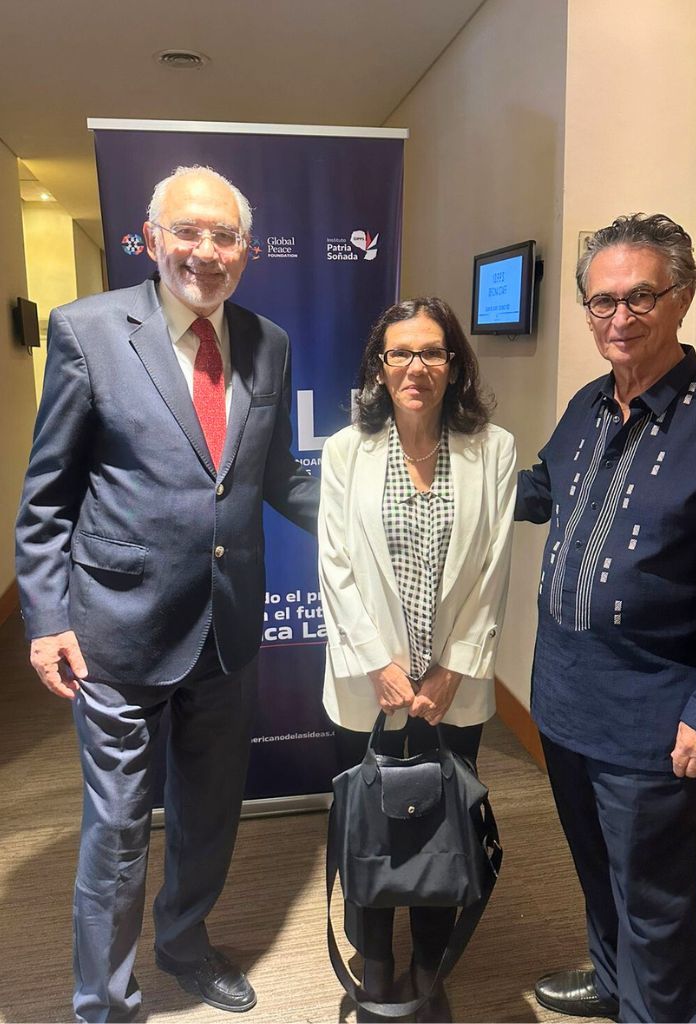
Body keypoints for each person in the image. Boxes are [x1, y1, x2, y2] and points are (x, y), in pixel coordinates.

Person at [15, 165, 319, 1022]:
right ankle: (102, 1002)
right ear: (151, 240)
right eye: (188, 232)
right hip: (116, 628)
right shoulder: (87, 331)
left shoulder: (268, 341)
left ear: (247, 251)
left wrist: (372, 511)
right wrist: (45, 619)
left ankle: (185, 943)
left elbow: (276, 477)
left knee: (210, 813)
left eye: (224, 236)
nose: (206, 252)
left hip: (225, 630)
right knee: (116, 831)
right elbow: (47, 497)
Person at [515, 213, 696, 1023]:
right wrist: (426, 469)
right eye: (601, 303)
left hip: (656, 718)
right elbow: (538, 494)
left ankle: (655, 1008)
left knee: (656, 903)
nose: (618, 319)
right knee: (596, 874)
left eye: (640, 298)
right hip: (562, 700)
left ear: (683, 297)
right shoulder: (590, 404)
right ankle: (612, 979)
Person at [318, 297, 516, 1023]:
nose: (416, 367)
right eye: (400, 353)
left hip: (450, 690)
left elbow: (494, 568)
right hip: (367, 686)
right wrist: (378, 666)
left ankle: (430, 970)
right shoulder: (347, 450)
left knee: (443, 826)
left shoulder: (493, 449)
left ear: (454, 363)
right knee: (367, 827)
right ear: (380, 366)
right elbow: (333, 567)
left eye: (431, 352)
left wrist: (450, 670)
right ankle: (375, 966)